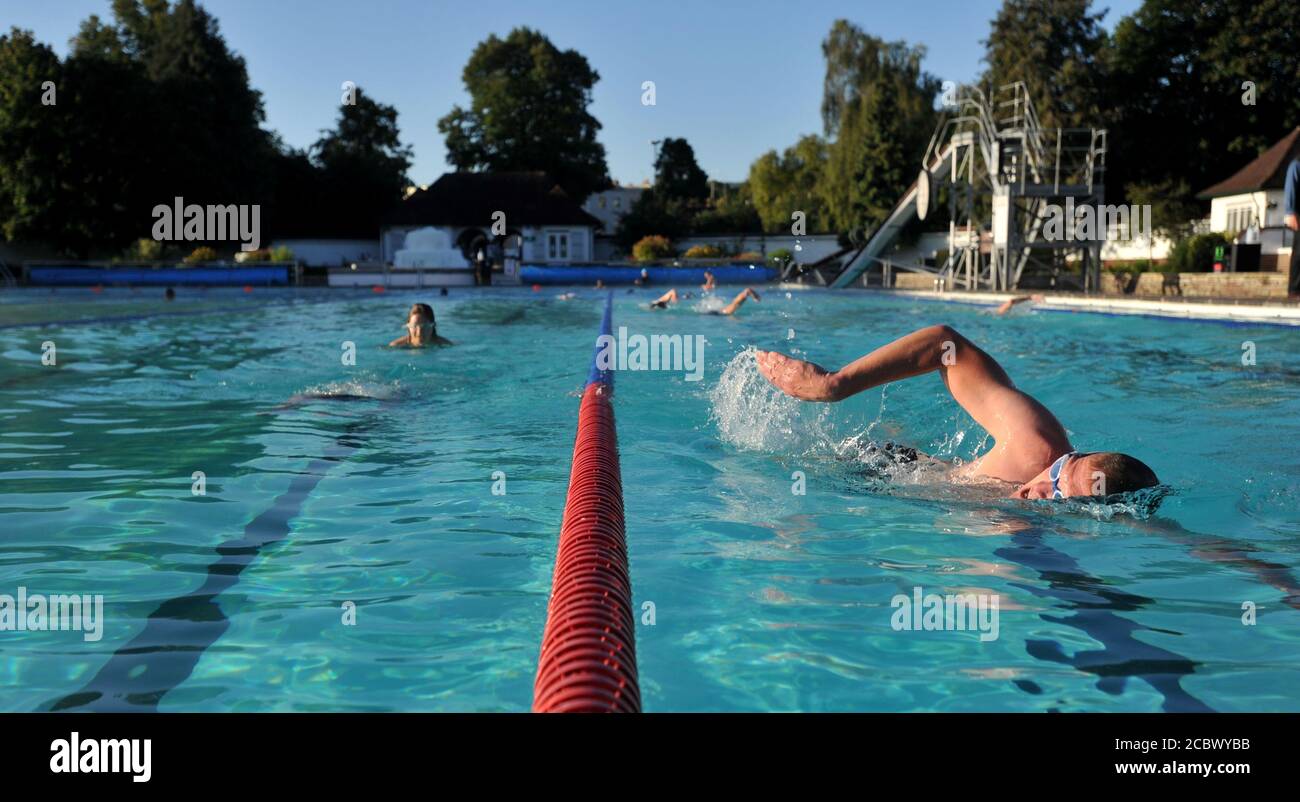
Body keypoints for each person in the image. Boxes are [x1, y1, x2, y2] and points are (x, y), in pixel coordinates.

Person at [754, 324, 1159, 500]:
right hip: (884, 468)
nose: (1041, 490)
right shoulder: (1034, 445)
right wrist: (834, 385)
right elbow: (945, 346)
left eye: (1059, 496)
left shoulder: (1046, 528)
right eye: (1058, 473)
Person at [651, 286, 760, 315]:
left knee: (731, 307)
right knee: (732, 306)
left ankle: (746, 293)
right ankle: (745, 293)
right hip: (714, 313)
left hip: (714, 313)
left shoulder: (666, 304)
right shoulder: (665, 302)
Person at [1285, 155, 1299, 298]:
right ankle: (1295, 290)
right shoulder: (1296, 164)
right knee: (1299, 252)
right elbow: (1291, 187)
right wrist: (1290, 212)